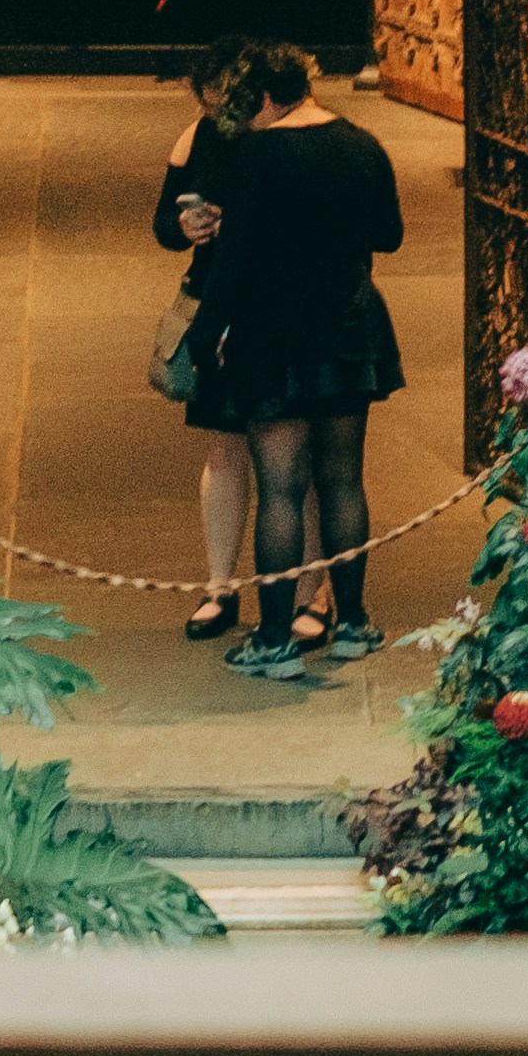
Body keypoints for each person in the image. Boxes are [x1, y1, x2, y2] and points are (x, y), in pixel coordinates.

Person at [175, 38, 405, 682]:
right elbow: (389, 234)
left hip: (272, 335)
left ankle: (274, 638)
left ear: (271, 98)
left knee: (279, 487)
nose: (246, 118)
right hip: (348, 324)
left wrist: (205, 334)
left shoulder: (259, 153)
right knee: (342, 481)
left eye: (251, 105)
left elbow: (235, 257)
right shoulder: (362, 143)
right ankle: (354, 623)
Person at [152, 50, 257, 639]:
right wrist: (185, 226)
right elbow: (163, 222)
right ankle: (220, 587)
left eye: (222, 97)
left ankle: (310, 594)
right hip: (212, 298)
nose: (214, 109)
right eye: (205, 99)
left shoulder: (279, 135)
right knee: (224, 451)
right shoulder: (196, 136)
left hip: (273, 304)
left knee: (300, 459)